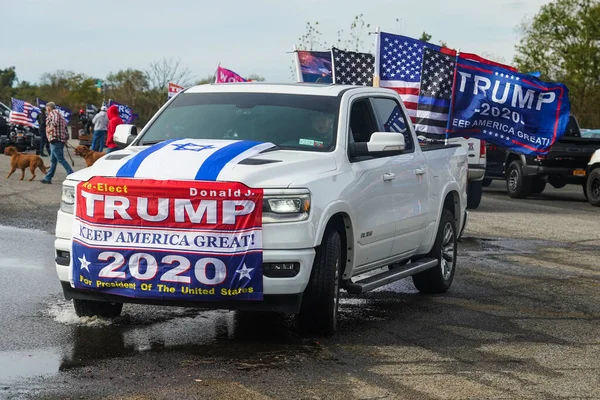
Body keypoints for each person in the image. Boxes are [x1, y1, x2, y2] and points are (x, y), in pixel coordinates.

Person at [41, 102, 74, 184]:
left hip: (55, 139)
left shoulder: (53, 113)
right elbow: (65, 128)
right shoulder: (60, 115)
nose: (46, 111)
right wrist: (65, 138)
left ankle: (71, 174)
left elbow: (55, 121)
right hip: (59, 140)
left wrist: (50, 128)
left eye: (46, 110)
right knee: (53, 160)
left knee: (60, 159)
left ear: (49, 108)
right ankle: (48, 178)